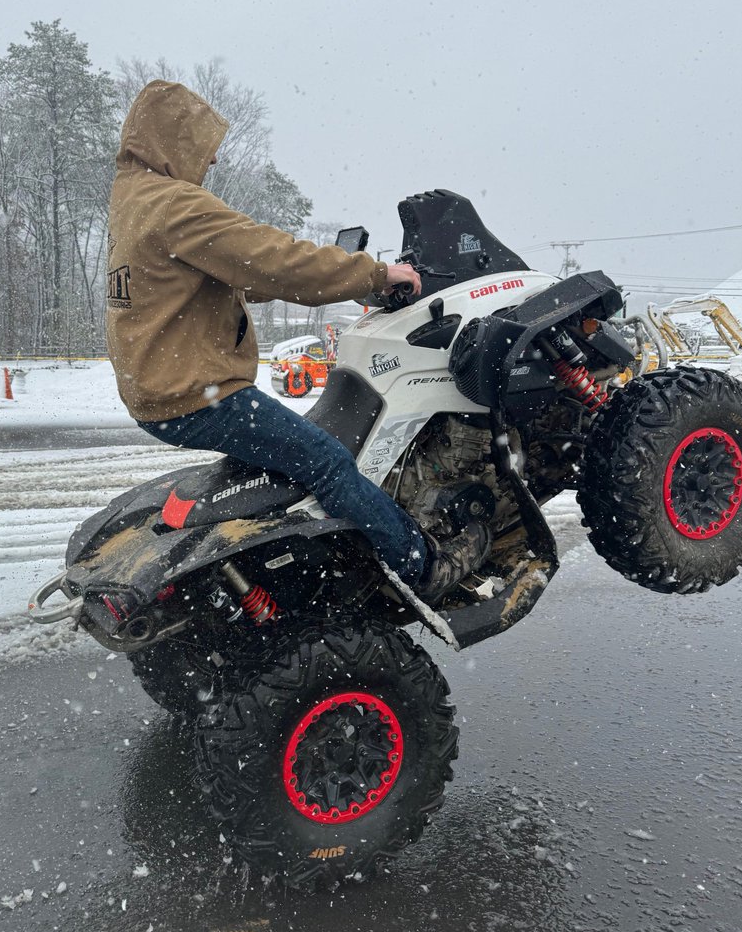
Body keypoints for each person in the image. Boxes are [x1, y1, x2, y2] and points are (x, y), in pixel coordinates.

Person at [106, 80, 489, 605]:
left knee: (290, 457)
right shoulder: (175, 204)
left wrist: (339, 283)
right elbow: (274, 258)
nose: (212, 159)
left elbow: (238, 272)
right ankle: (425, 566)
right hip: (192, 393)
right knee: (328, 460)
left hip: (156, 391)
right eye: (203, 145)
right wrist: (374, 274)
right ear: (173, 140)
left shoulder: (133, 200)